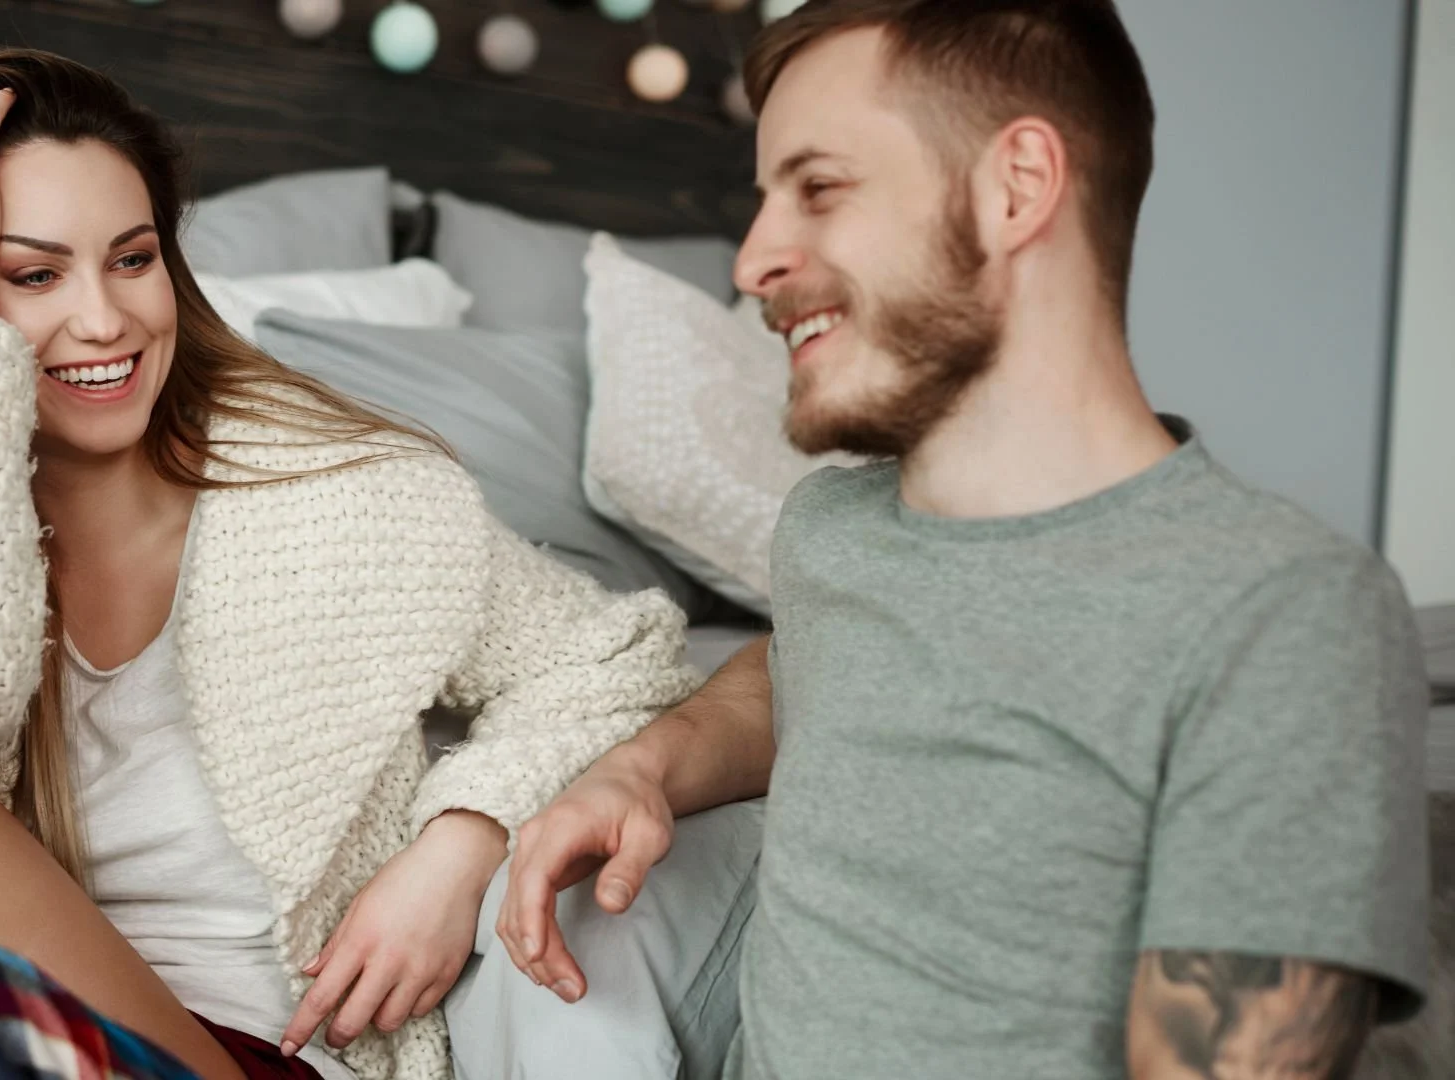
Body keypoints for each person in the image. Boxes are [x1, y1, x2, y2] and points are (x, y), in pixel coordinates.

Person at [0, 48, 710, 1080]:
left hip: (259, 1054)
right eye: (30, 273)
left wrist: (462, 839)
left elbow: (615, 658)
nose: (103, 318)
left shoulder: (347, 499)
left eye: (133, 258)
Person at [497, 2, 1432, 1078]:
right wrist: (640, 770)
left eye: (820, 189)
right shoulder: (832, 534)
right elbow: (805, 667)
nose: (753, 258)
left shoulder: (1283, 611)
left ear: (1016, 188)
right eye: (764, 202)